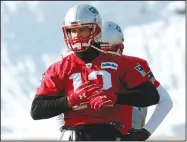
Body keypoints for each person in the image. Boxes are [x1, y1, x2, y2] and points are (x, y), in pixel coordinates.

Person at [30, 4, 160, 141]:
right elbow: (37, 110)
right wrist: (71, 100)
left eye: (82, 29)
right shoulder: (58, 68)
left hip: (111, 135)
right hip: (74, 135)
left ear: (96, 30)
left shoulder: (122, 63)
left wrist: (116, 97)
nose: (76, 35)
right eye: (72, 31)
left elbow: (151, 95)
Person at [100, 20, 173, 140]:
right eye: (100, 52)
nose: (105, 57)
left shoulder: (132, 66)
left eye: (108, 51)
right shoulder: (76, 67)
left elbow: (165, 101)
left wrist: (143, 132)